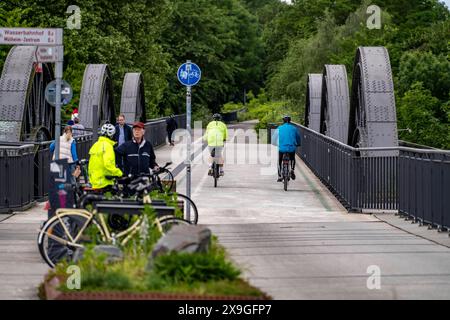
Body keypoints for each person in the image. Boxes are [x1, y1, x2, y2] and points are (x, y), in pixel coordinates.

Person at [88, 123, 123, 190]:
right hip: (104, 181)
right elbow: (108, 164)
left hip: (94, 181)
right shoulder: (108, 146)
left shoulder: (96, 144)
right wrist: (119, 173)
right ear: (112, 135)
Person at [272, 115, 301, 182]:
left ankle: (279, 176)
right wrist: (298, 144)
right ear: (290, 121)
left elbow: (274, 137)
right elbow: (298, 137)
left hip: (282, 147)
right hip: (291, 147)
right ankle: (292, 170)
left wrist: (274, 143)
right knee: (292, 158)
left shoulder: (279, 128)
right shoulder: (294, 128)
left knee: (279, 160)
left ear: (283, 121)